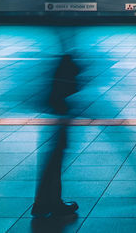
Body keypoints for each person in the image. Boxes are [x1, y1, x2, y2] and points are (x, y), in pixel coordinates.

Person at [32, 52, 82, 219]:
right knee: (57, 147)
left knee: (56, 147)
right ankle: (48, 201)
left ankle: (45, 200)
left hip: (56, 91)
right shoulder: (66, 33)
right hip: (59, 92)